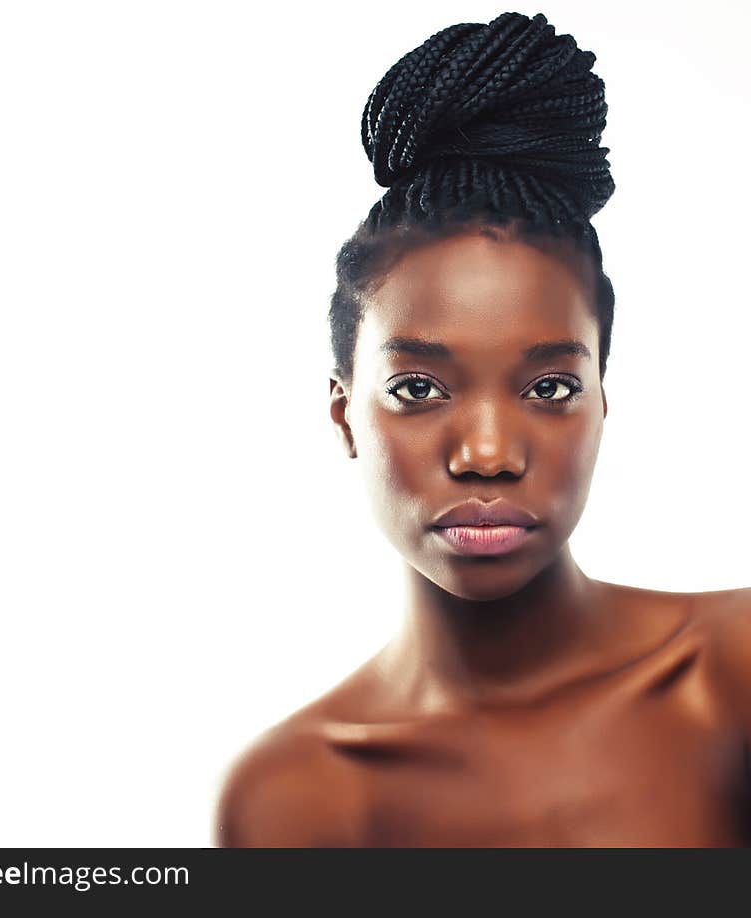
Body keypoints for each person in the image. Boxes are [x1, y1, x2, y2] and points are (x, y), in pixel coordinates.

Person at [213, 11, 751, 847]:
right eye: (419, 388)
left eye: (550, 386)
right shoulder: (294, 802)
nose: (490, 455)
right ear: (343, 413)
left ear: (601, 403)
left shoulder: (732, 676)